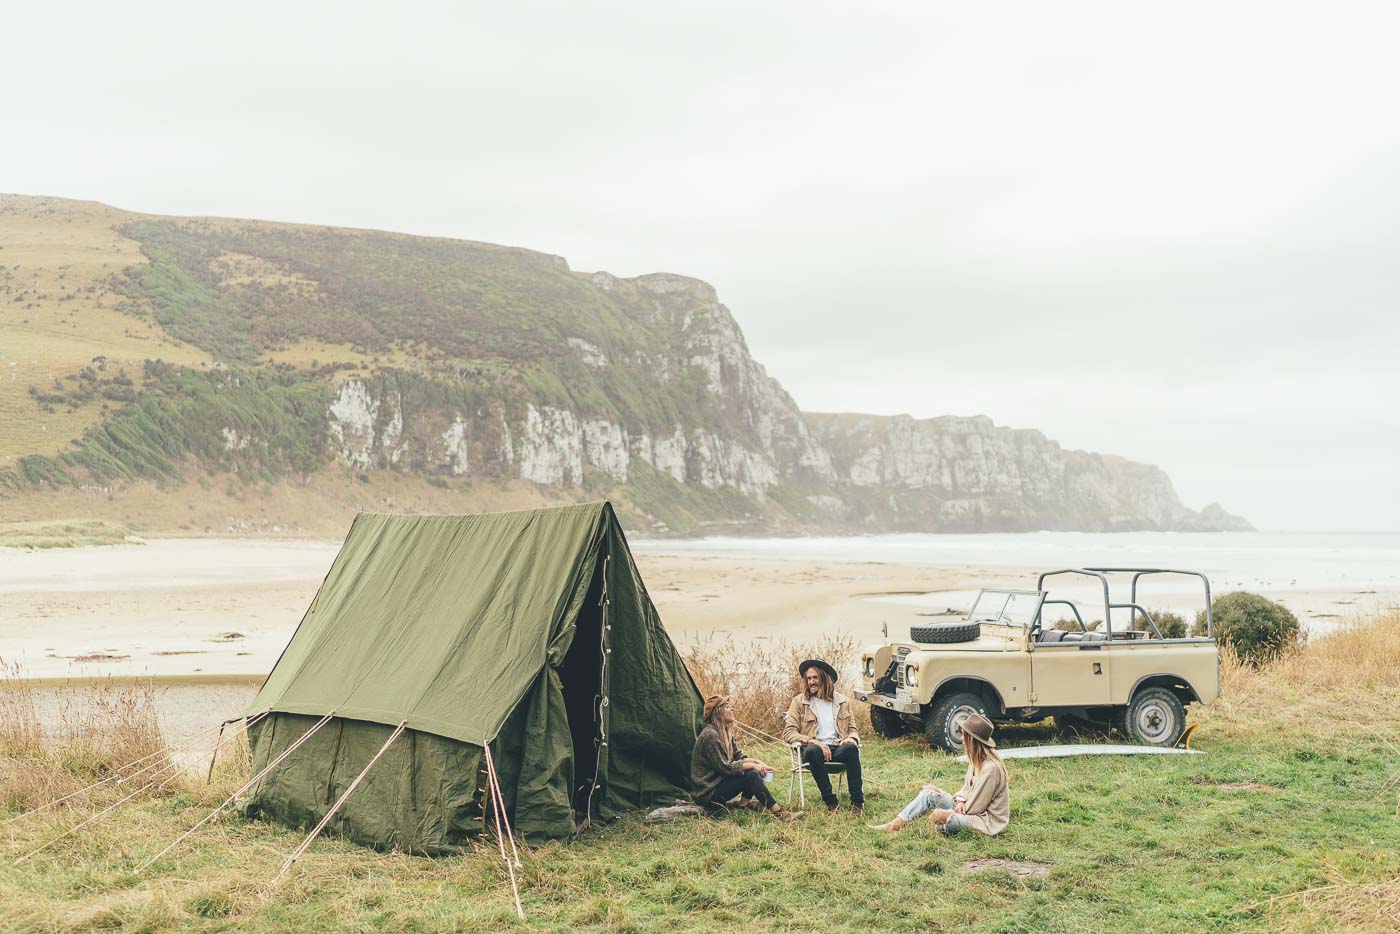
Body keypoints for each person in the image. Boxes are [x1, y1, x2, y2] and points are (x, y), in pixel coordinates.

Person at [871, 712, 1009, 835]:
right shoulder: (976, 760)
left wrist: (947, 813)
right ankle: (895, 824)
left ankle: (944, 826)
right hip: (967, 809)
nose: (961, 738)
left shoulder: (991, 769)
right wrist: (960, 800)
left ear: (972, 740)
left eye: (964, 735)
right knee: (930, 793)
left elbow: (975, 808)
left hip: (984, 820)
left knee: (951, 820)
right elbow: (967, 788)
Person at [691, 694, 803, 820]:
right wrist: (754, 766)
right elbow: (725, 767)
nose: (732, 709)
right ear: (718, 712)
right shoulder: (710, 735)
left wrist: (758, 762)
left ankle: (743, 805)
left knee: (751, 771)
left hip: (717, 785)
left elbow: (737, 755)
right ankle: (780, 813)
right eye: (727, 707)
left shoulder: (724, 732)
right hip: (707, 792)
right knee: (752, 775)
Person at [782, 658, 864, 815]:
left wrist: (851, 738)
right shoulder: (799, 702)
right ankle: (831, 802)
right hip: (813, 751)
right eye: (808, 678)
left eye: (815, 678)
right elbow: (789, 732)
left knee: (852, 749)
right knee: (813, 751)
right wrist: (813, 741)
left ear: (825, 679)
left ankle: (858, 803)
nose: (811, 682)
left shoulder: (843, 701)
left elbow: (853, 729)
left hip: (837, 748)